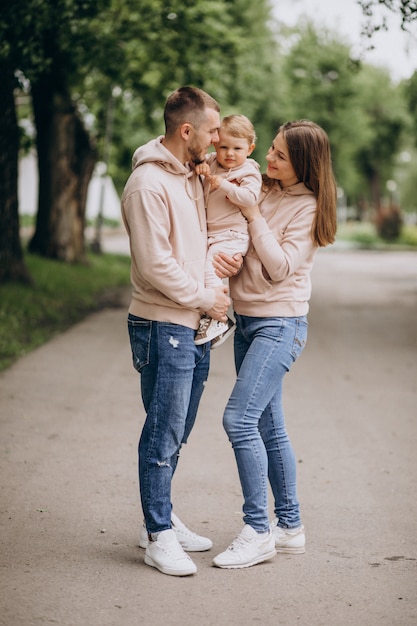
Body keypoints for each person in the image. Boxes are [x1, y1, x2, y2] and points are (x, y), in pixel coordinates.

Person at [121, 86, 241, 577]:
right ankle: (157, 535)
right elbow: (154, 265)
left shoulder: (190, 175)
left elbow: (191, 245)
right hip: (161, 321)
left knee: (179, 427)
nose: (218, 142)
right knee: (163, 429)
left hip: (192, 324)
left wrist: (216, 264)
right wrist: (204, 296)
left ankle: (164, 514)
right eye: (213, 131)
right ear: (186, 130)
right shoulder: (148, 184)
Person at [211, 119, 338, 569]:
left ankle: (258, 530)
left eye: (280, 155)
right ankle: (289, 527)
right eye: (272, 149)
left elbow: (281, 267)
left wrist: (253, 214)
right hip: (246, 321)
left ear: (303, 163)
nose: (268, 157)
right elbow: (239, 237)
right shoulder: (261, 186)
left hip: (279, 325)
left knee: (238, 420)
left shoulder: (307, 207)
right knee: (268, 427)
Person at [193, 115, 262, 348]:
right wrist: (201, 164)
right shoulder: (213, 162)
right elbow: (196, 162)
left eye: (237, 148)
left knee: (209, 272)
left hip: (233, 235)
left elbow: (250, 198)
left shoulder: (248, 171)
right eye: (224, 147)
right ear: (215, 145)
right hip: (213, 235)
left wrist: (223, 184)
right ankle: (211, 318)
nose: (229, 153)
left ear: (250, 149)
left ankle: (220, 319)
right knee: (205, 274)